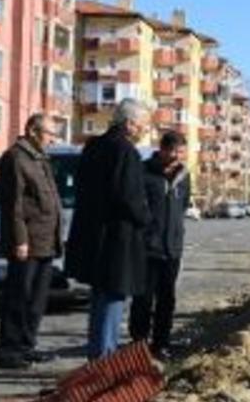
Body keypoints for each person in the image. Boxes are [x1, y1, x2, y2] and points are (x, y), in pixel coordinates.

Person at [65, 99, 152, 360]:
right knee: (113, 299)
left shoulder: (93, 146)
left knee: (100, 298)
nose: (145, 130)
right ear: (130, 124)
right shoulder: (125, 151)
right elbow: (129, 197)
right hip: (118, 238)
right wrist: (146, 219)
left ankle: (98, 356)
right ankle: (104, 361)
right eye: (143, 125)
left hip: (94, 235)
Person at [0, 114, 62, 369]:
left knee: (36, 301)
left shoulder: (39, 158)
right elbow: (13, 205)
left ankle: (26, 345)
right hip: (28, 243)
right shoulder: (15, 158)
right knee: (18, 298)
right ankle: (8, 351)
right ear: (33, 131)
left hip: (45, 241)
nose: (53, 139)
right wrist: (20, 240)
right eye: (50, 133)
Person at [129, 131, 190, 361]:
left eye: (181, 152)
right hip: (147, 248)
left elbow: (182, 207)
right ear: (162, 149)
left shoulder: (184, 176)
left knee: (167, 299)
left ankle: (161, 344)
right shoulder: (144, 172)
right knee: (143, 299)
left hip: (172, 248)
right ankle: (139, 345)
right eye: (173, 151)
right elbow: (135, 205)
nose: (177, 156)